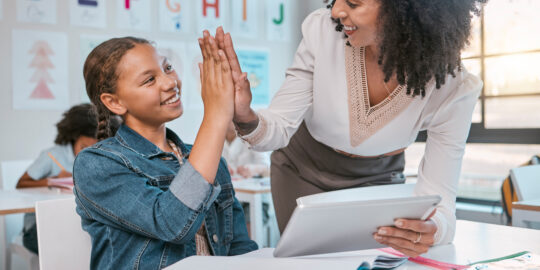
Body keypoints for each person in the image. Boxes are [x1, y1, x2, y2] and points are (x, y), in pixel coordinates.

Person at [209, 0, 486, 257]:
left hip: (378, 185)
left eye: (354, 2)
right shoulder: (323, 32)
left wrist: (433, 229)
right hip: (302, 172)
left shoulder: (454, 88)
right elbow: (277, 129)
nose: (337, 10)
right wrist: (244, 115)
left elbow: (442, 201)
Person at [73, 36, 257, 269]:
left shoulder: (211, 161)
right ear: (114, 102)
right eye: (149, 80)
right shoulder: (97, 164)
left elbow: (239, 250)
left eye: (167, 68)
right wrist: (216, 116)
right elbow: (172, 223)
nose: (170, 82)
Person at [15, 103, 107, 254]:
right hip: (39, 228)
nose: (88, 153)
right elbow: (20, 184)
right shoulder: (52, 155)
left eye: (94, 148)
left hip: (75, 224)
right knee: (71, 249)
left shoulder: (98, 159)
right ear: (74, 137)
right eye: (83, 147)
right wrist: (51, 180)